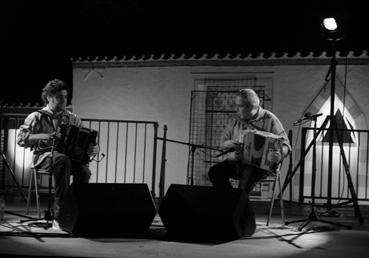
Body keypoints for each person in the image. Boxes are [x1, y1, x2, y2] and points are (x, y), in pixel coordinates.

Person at [17, 78, 99, 232]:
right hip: (43, 157)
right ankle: (59, 214)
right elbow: (21, 139)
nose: (64, 100)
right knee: (62, 160)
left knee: (84, 171)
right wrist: (44, 136)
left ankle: (73, 209)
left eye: (65, 97)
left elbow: (86, 139)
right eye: (59, 97)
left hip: (66, 159)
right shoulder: (37, 116)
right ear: (49, 97)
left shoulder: (72, 118)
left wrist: (91, 148)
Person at [208, 88, 291, 194]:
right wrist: (232, 144)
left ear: (251, 107)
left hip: (259, 167)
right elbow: (222, 143)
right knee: (215, 172)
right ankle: (233, 201)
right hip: (237, 162)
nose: (236, 109)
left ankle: (236, 202)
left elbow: (286, 145)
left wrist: (279, 155)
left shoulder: (269, 118)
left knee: (244, 183)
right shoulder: (235, 119)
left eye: (239, 106)